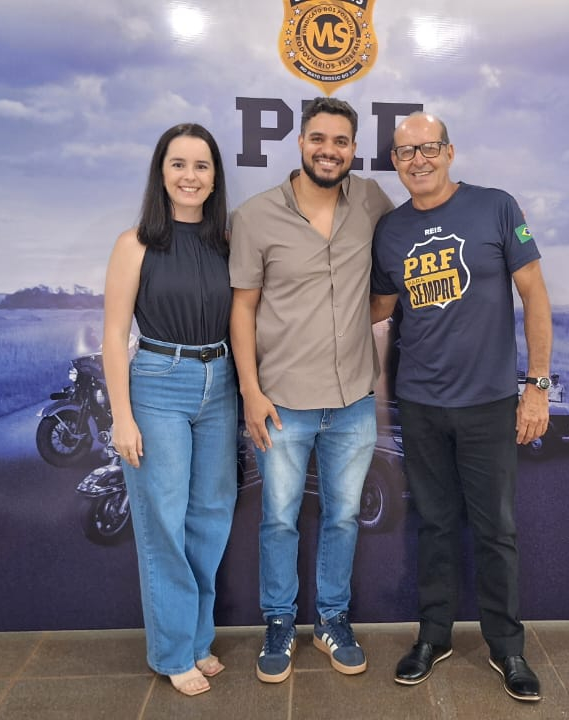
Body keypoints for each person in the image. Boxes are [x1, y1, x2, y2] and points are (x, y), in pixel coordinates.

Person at [370, 112, 552, 703]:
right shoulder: (391, 229)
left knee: (496, 528)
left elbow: (534, 293)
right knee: (435, 523)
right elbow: (377, 307)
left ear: (449, 152)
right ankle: (434, 635)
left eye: (428, 148)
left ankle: (507, 646)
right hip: (420, 403)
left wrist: (537, 385)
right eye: (405, 152)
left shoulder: (495, 207)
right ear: (394, 163)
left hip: (488, 402)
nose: (418, 160)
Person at [229, 97, 394, 683]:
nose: (330, 150)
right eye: (319, 139)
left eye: (341, 141)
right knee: (279, 519)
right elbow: (242, 309)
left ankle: (331, 620)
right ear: (300, 143)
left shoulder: (372, 201)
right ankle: (278, 621)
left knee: (343, 516)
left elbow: (392, 274)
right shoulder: (255, 217)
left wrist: (362, 317)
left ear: (354, 149)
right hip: (281, 403)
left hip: (353, 402)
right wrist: (250, 391)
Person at [103, 123, 236, 697]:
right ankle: (172, 652)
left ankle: (198, 640)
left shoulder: (226, 243)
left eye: (201, 166)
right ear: (161, 173)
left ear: (215, 178)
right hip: (159, 381)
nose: (190, 176)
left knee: (210, 516)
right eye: (178, 164)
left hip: (221, 382)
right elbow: (114, 336)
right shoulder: (135, 244)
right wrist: (122, 416)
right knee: (164, 521)